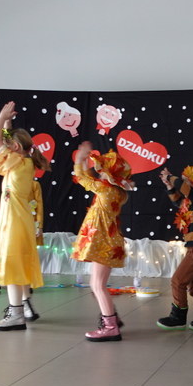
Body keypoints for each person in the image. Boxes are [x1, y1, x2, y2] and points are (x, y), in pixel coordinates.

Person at [0, 101, 49, 330]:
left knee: (12, 265)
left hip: (15, 221)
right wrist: (8, 123)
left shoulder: (17, 162)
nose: (4, 149)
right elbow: (5, 140)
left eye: (9, 146)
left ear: (15, 147)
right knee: (17, 264)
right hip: (17, 220)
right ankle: (22, 308)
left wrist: (0, 117)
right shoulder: (22, 161)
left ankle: (16, 314)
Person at [71, 141, 134, 342]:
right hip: (109, 242)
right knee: (98, 284)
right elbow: (88, 177)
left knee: (97, 285)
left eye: (101, 170)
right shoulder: (117, 192)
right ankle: (112, 318)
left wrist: (80, 158)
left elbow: (82, 178)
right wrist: (84, 161)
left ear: (108, 175)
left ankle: (110, 327)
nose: (98, 173)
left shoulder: (105, 190)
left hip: (103, 243)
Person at [156, 164, 193, 332]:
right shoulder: (192, 201)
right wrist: (169, 186)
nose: (182, 182)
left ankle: (178, 317)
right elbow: (178, 201)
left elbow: (182, 187)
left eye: (186, 180)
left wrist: (170, 177)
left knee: (177, 281)